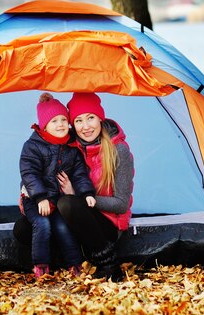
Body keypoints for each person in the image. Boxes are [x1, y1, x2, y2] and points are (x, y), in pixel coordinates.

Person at [55, 92, 134, 282]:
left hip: (107, 224)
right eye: (79, 120)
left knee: (68, 203)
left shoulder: (119, 150)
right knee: (23, 228)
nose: (86, 127)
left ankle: (109, 264)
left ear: (100, 118)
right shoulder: (69, 147)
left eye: (90, 118)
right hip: (76, 219)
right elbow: (38, 157)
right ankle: (66, 261)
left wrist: (79, 196)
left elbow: (121, 204)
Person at [19, 92, 96, 279]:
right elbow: (29, 173)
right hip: (34, 199)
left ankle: (75, 264)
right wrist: (40, 197)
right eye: (54, 121)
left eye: (63, 119)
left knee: (62, 227)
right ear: (44, 126)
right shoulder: (33, 146)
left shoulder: (71, 146)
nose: (60, 124)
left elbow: (79, 173)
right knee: (42, 224)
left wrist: (86, 193)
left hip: (58, 199)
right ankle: (41, 265)